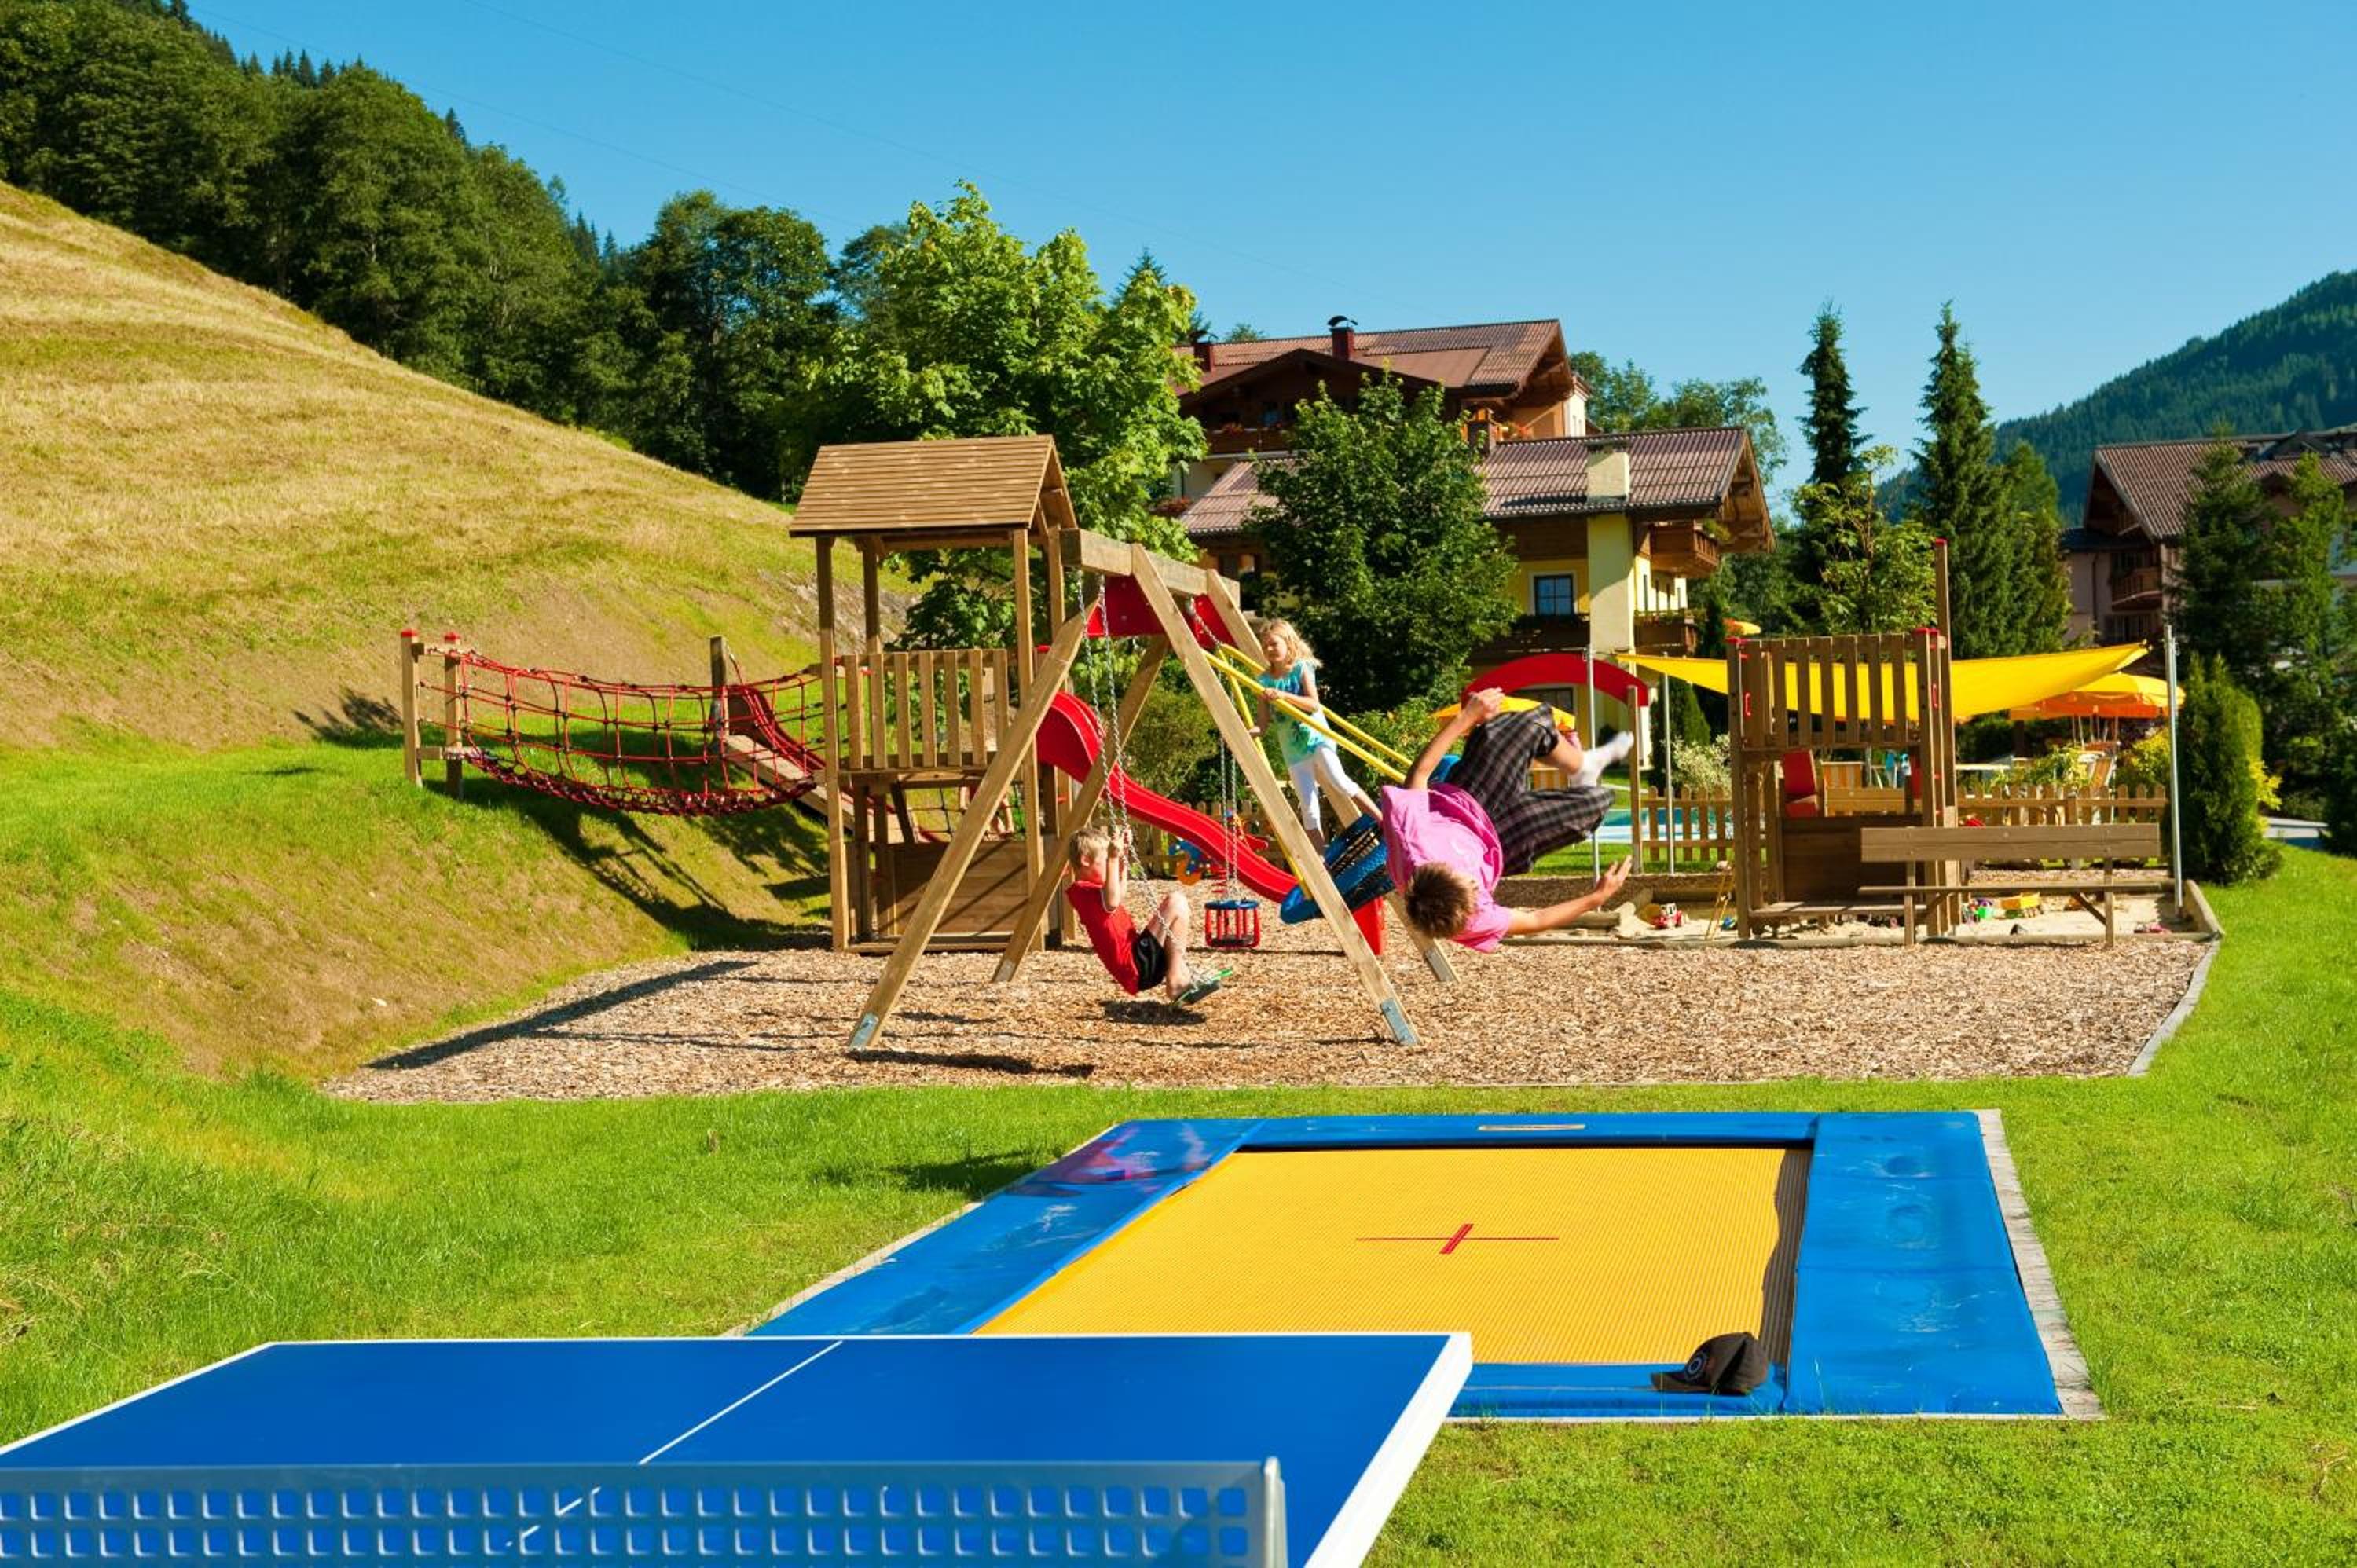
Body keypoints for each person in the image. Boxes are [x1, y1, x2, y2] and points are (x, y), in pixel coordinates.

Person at [1383, 687, 1636, 949]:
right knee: (1597, 803)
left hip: (1466, 799)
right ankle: (1586, 782)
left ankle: (1583, 765)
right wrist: (1596, 898)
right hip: (1502, 846)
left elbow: (1419, 775)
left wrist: (1467, 717)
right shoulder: (1474, 918)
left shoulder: (1413, 843)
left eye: (1471, 883)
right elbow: (1536, 920)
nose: (1478, 885)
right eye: (1477, 890)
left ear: (1440, 866)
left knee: (1533, 721)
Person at [1065, 826, 1225, 1004]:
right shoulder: (1080, 891)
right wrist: (1113, 857)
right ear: (1086, 860)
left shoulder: (1095, 891)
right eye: (1105, 859)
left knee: (1178, 907)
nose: (1111, 864)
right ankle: (1177, 982)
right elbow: (1112, 901)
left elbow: (1119, 892)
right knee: (1175, 902)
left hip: (1141, 963)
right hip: (1135, 967)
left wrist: (1123, 854)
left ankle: (1180, 974)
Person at [1254, 619, 1379, 848]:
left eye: (1274, 644)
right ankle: (1321, 861)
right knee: (1308, 806)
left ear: (1289, 642)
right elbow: (1262, 723)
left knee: (1340, 782)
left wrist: (1284, 696)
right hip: (1293, 752)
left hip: (1317, 740)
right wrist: (1252, 732)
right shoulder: (1263, 681)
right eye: (1265, 646)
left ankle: (1384, 822)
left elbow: (1313, 704)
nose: (1269, 649)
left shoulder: (1301, 668)